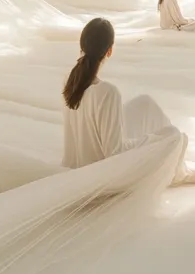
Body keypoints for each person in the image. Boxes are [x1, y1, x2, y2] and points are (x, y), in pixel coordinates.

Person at [62, 17, 185, 170]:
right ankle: (179, 171)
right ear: (110, 51)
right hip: (102, 175)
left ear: (82, 46)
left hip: (81, 165)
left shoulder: (71, 80)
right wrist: (153, 140)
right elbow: (115, 153)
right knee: (173, 135)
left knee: (145, 104)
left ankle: (178, 169)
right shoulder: (107, 92)